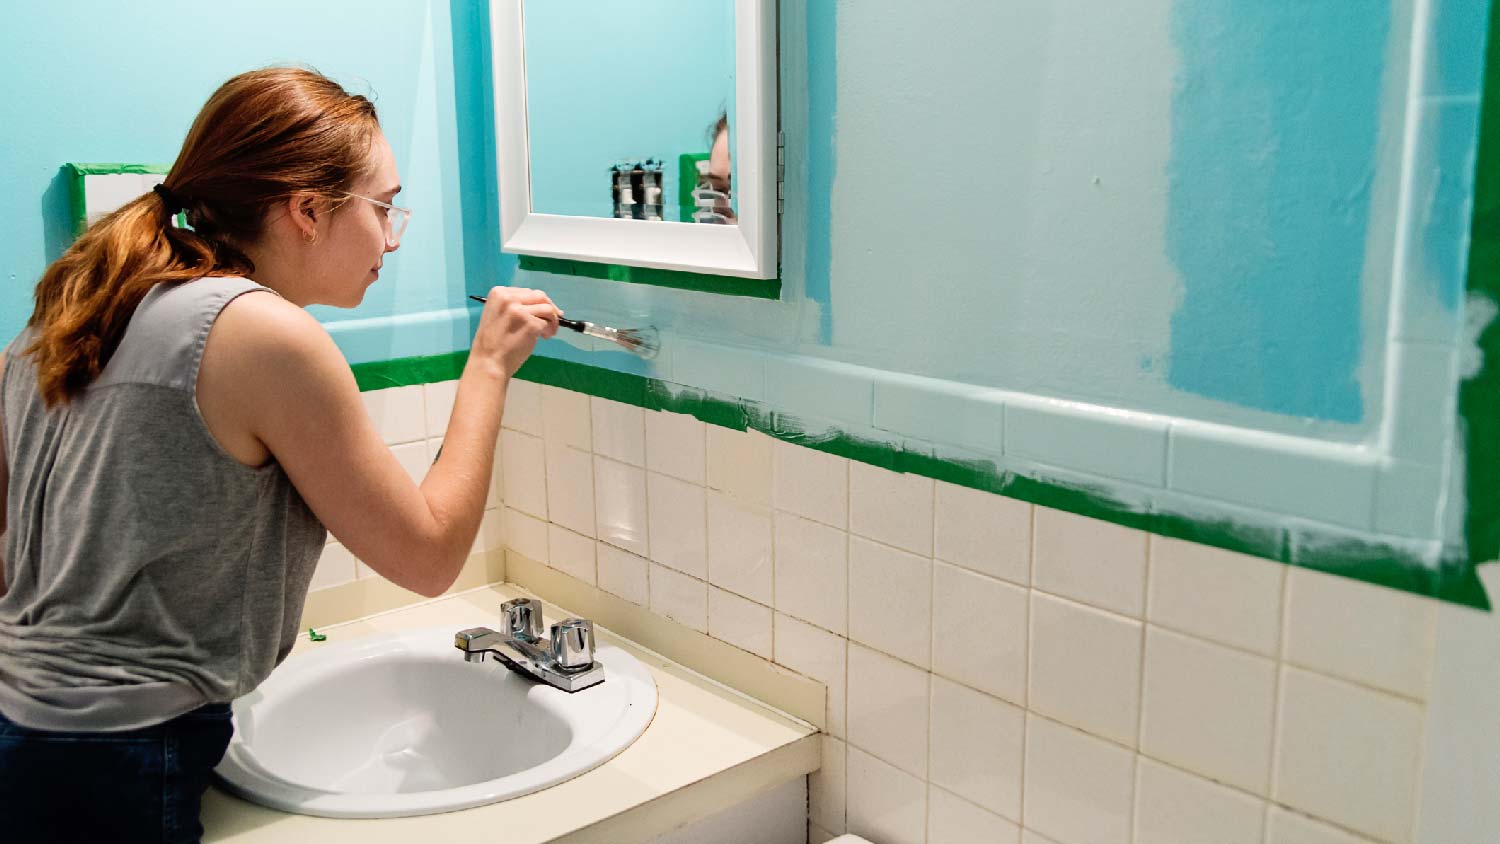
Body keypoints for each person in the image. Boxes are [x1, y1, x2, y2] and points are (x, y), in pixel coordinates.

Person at [0, 66, 560, 842]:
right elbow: (429, 557)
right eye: (384, 207)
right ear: (305, 209)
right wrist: (490, 365)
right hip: (110, 757)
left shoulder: (81, 302)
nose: (392, 237)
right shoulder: (262, 333)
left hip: (26, 727)